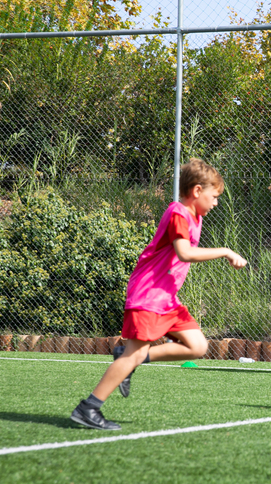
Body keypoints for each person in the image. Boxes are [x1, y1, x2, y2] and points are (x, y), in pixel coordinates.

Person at [70, 159, 247, 430]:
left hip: (166, 297)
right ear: (197, 191)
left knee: (197, 346)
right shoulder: (178, 212)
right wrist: (225, 251)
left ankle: (130, 360)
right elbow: (184, 252)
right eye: (214, 196)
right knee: (134, 353)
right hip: (149, 293)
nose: (216, 203)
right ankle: (89, 407)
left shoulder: (196, 217)